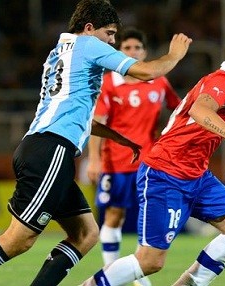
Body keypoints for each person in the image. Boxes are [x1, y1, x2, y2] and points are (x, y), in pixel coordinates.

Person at [0, 0, 191, 285]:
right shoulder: (88, 45)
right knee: (19, 239)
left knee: (86, 234)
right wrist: (174, 56)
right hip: (51, 149)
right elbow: (146, 72)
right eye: (110, 33)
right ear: (89, 28)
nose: (113, 41)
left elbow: (80, 118)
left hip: (47, 148)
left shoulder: (59, 53)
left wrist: (121, 139)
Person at [80, 35, 225, 286]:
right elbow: (200, 111)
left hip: (197, 176)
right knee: (150, 261)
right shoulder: (223, 83)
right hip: (166, 173)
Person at [87, 27, 181, 286]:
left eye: (136, 48)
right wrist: (94, 159)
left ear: (144, 52)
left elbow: (179, 110)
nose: (132, 52)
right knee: (114, 216)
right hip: (115, 163)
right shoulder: (109, 82)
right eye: (126, 48)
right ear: (120, 52)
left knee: (147, 216)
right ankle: (110, 269)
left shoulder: (159, 82)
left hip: (149, 163)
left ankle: (138, 271)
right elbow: (98, 123)